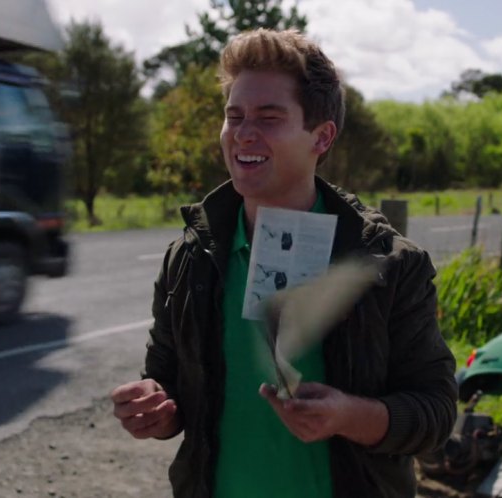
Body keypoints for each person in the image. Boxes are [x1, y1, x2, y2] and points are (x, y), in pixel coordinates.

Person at [110, 28, 457, 498]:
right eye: (234, 116)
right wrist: (156, 410)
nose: (243, 133)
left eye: (269, 117)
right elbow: (169, 386)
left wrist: (348, 416)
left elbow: (436, 413)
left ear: (322, 137)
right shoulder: (190, 259)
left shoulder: (390, 266)